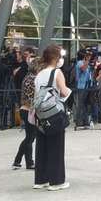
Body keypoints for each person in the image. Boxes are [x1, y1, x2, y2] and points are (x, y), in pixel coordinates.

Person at [33, 44, 72, 190]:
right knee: (56, 146)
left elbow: (38, 95)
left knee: (41, 146)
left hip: (40, 114)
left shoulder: (39, 74)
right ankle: (56, 181)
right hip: (54, 114)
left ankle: (41, 179)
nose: (62, 59)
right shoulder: (57, 72)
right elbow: (63, 91)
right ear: (56, 58)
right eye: (60, 56)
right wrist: (69, 91)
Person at [13, 59, 39, 169]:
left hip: (26, 109)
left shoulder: (28, 78)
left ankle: (19, 160)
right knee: (30, 138)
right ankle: (28, 162)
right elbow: (31, 98)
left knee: (30, 137)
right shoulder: (32, 80)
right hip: (29, 110)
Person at [73, 50, 92, 129]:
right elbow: (83, 69)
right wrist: (87, 61)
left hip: (86, 86)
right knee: (80, 105)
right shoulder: (80, 62)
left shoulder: (84, 62)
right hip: (81, 86)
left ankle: (85, 122)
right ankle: (79, 122)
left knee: (84, 105)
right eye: (86, 55)